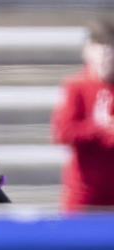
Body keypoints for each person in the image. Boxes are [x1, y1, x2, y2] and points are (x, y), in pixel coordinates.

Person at [51, 16, 114, 212]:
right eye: (101, 52)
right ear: (87, 52)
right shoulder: (76, 88)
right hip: (84, 199)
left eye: (110, 52)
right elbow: (63, 132)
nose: (106, 59)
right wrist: (99, 129)